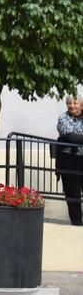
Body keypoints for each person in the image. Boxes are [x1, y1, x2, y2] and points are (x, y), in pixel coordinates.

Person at [55, 95, 83, 226]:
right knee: (72, 195)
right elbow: (70, 136)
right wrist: (72, 137)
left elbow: (73, 137)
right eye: (69, 103)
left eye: (75, 103)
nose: (72, 106)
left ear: (81, 105)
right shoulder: (63, 118)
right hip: (68, 160)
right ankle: (77, 224)